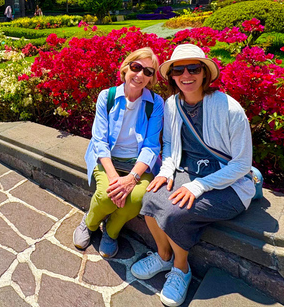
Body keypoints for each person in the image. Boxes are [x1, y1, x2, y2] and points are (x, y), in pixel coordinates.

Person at [130, 44, 255, 306]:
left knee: (176, 213)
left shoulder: (230, 109)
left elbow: (242, 164)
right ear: (172, 76)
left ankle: (181, 269)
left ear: (205, 73)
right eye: (178, 69)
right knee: (150, 197)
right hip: (188, 171)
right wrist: (166, 171)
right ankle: (163, 256)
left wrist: (199, 187)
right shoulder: (173, 104)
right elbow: (172, 147)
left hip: (229, 183)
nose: (186, 75)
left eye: (194, 68)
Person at [74, 48, 164, 258]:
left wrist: (132, 178)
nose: (140, 75)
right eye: (136, 67)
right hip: (109, 160)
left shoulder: (155, 103)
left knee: (137, 199)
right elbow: (100, 141)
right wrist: (115, 177)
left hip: (138, 163)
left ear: (151, 78)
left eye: (148, 72)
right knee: (107, 194)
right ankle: (90, 223)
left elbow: (152, 146)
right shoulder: (108, 97)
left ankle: (111, 232)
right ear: (126, 68)